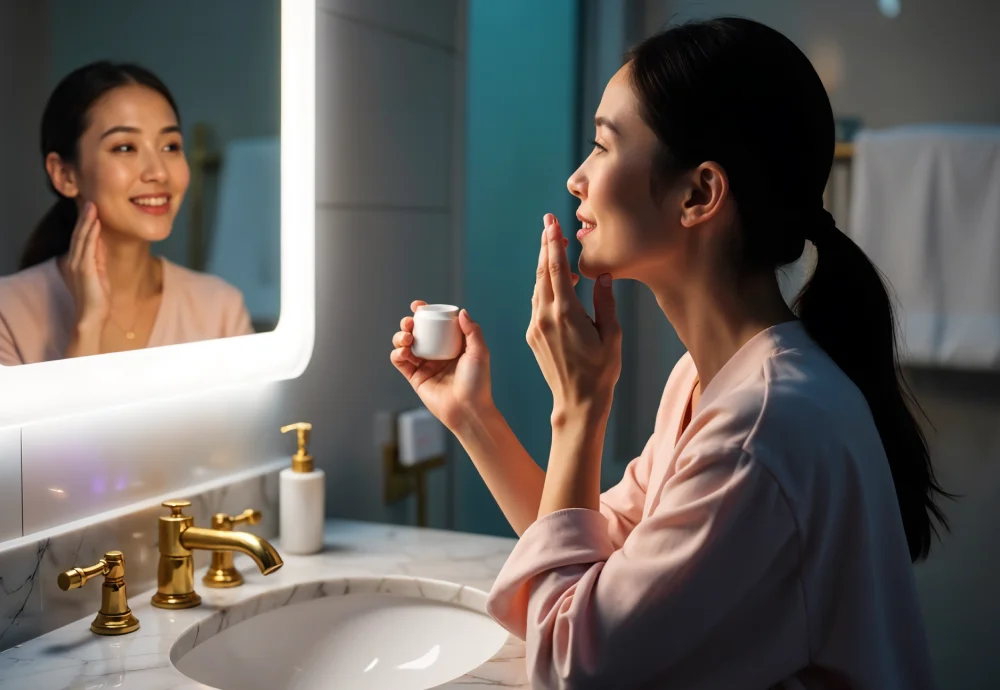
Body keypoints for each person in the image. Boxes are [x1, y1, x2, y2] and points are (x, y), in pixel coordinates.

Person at [391, 17, 948, 690]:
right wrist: (472, 416)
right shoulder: (712, 380)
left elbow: (572, 663)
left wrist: (579, 409)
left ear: (698, 194)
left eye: (602, 146)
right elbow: (594, 544)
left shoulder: (764, 427)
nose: (576, 179)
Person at [0, 61, 253, 366]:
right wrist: (88, 326)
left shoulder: (220, 310)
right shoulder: (8, 315)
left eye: (170, 146)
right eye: (124, 148)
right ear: (65, 175)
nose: (159, 172)